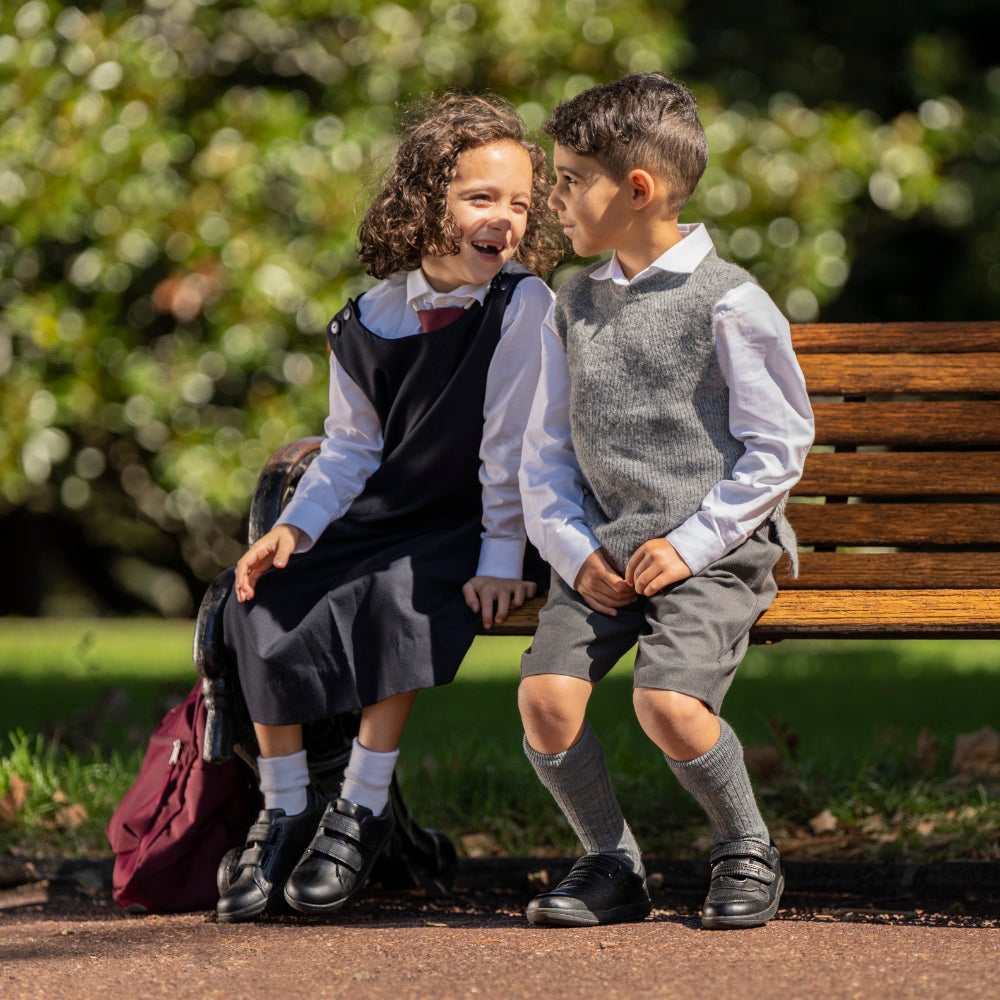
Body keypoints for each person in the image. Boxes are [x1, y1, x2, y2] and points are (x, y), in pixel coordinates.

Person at [216, 92, 562, 923]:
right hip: (389, 511)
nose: (505, 220)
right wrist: (292, 529)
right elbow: (349, 451)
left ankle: (363, 809)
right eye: (482, 198)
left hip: (484, 523)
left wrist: (499, 563)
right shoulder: (366, 317)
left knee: (392, 597)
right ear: (425, 202)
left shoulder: (525, 307)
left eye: (520, 204)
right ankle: (287, 805)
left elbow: (513, 451)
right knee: (259, 595)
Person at [517, 73, 815, 930]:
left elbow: (778, 449)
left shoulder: (732, 302)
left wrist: (689, 546)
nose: (555, 200)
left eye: (570, 181)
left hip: (715, 551)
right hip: (604, 550)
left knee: (668, 705)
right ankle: (612, 863)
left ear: (637, 189)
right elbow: (545, 454)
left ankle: (746, 845)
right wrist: (577, 553)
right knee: (544, 701)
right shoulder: (569, 305)